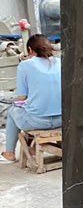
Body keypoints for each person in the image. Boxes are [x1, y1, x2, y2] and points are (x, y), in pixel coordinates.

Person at [1, 34, 61, 163]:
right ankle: (32, 148)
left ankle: (9, 153)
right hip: (61, 120)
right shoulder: (59, 62)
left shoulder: (25, 66)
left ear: (29, 50)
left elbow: (22, 97)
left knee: (13, 111)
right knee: (30, 108)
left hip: (38, 122)